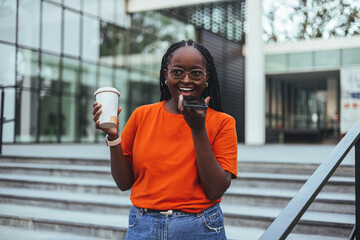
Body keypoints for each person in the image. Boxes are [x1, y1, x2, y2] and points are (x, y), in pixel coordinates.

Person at [92, 39, 238, 239]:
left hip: (199, 227)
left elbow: (215, 189)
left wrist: (198, 129)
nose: (186, 80)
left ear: (207, 78)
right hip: (143, 226)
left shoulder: (223, 122)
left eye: (195, 73)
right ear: (166, 76)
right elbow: (124, 183)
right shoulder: (142, 115)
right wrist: (113, 137)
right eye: (177, 72)